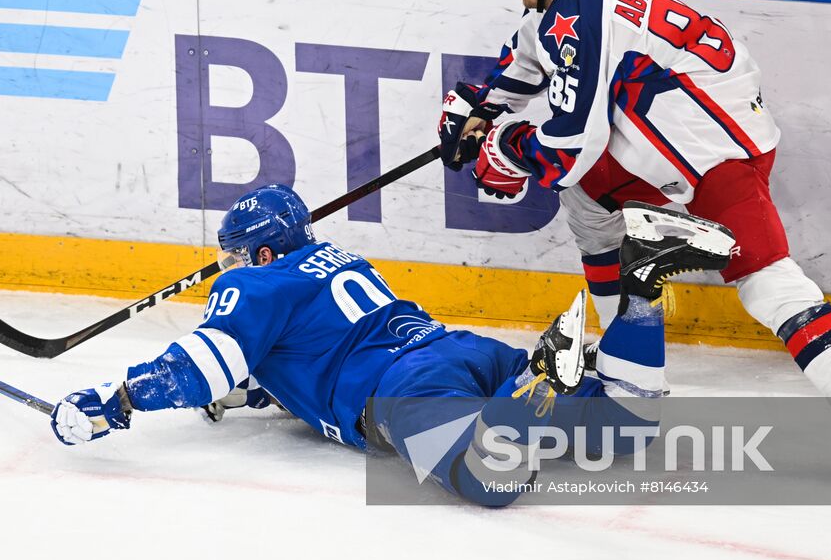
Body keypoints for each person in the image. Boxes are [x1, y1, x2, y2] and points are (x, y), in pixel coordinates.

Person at [434, 0, 831, 487]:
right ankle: (624, 364)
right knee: (589, 203)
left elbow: (569, 146)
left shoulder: (579, 17)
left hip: (715, 150)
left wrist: (504, 146)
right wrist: (481, 108)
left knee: (762, 277)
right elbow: (531, 55)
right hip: (682, 130)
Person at [49, 185, 735, 506]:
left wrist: (117, 400)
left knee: (492, 479)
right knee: (625, 424)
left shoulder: (255, 288)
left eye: (232, 257)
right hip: (461, 352)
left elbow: (200, 365)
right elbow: (281, 368)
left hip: (404, 393)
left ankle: (538, 391)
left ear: (258, 253)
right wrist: (246, 393)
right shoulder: (338, 264)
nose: (226, 270)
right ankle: (641, 281)